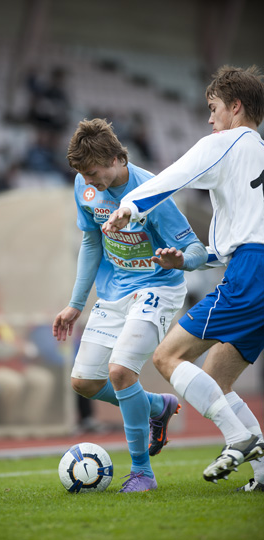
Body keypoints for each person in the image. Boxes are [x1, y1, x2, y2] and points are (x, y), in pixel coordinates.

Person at [103, 65, 264, 491]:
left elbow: (174, 175)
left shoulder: (228, 142)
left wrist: (129, 207)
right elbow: (245, 233)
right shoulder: (258, 152)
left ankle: (238, 438)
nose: (210, 120)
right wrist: (191, 261)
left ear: (235, 107)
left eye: (213, 109)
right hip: (252, 265)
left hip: (253, 273)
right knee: (218, 373)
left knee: (167, 357)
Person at [52, 118, 208, 493]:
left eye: (93, 173)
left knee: (121, 372)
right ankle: (155, 406)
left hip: (158, 289)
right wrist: (75, 304)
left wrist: (180, 260)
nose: (89, 182)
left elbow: (198, 250)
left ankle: (142, 472)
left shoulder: (153, 191)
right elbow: (91, 243)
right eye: (83, 176)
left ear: (118, 158)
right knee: (84, 382)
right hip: (115, 292)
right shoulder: (84, 187)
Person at [0, 281, 54, 425]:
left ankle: (28, 422)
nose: (2, 296)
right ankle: (8, 424)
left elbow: (10, 339)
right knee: (13, 382)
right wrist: (14, 350)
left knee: (43, 379)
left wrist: (22, 346)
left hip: (10, 365)